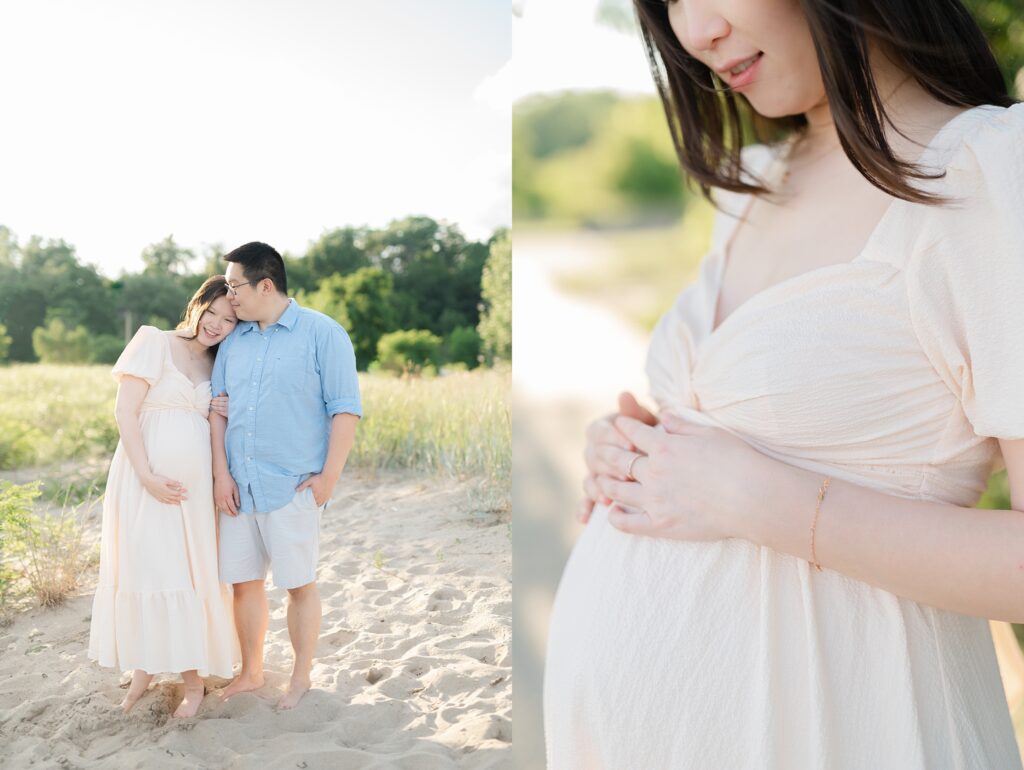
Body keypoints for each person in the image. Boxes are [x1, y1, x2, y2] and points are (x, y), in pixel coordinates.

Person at [544, 0, 1024, 767]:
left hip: (846, 728)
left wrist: (756, 498)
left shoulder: (991, 172)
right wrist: (639, 451)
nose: (695, 34)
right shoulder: (755, 183)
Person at [210, 241, 361, 710]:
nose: (229, 295)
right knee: (244, 583)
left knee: (298, 584)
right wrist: (221, 474)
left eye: (235, 286)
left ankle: (300, 677)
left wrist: (327, 479)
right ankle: (252, 672)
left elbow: (345, 409)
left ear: (266, 285)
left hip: (293, 486)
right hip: (240, 485)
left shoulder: (323, 333)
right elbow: (218, 411)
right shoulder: (234, 340)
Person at [88, 276, 240, 718]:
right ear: (196, 306)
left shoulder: (219, 362)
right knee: (149, 568)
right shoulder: (153, 341)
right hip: (144, 480)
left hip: (195, 494)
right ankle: (145, 668)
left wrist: (225, 410)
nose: (215, 324)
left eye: (228, 320)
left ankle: (193, 681)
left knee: (191, 573)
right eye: (210, 312)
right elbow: (124, 411)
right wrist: (148, 475)